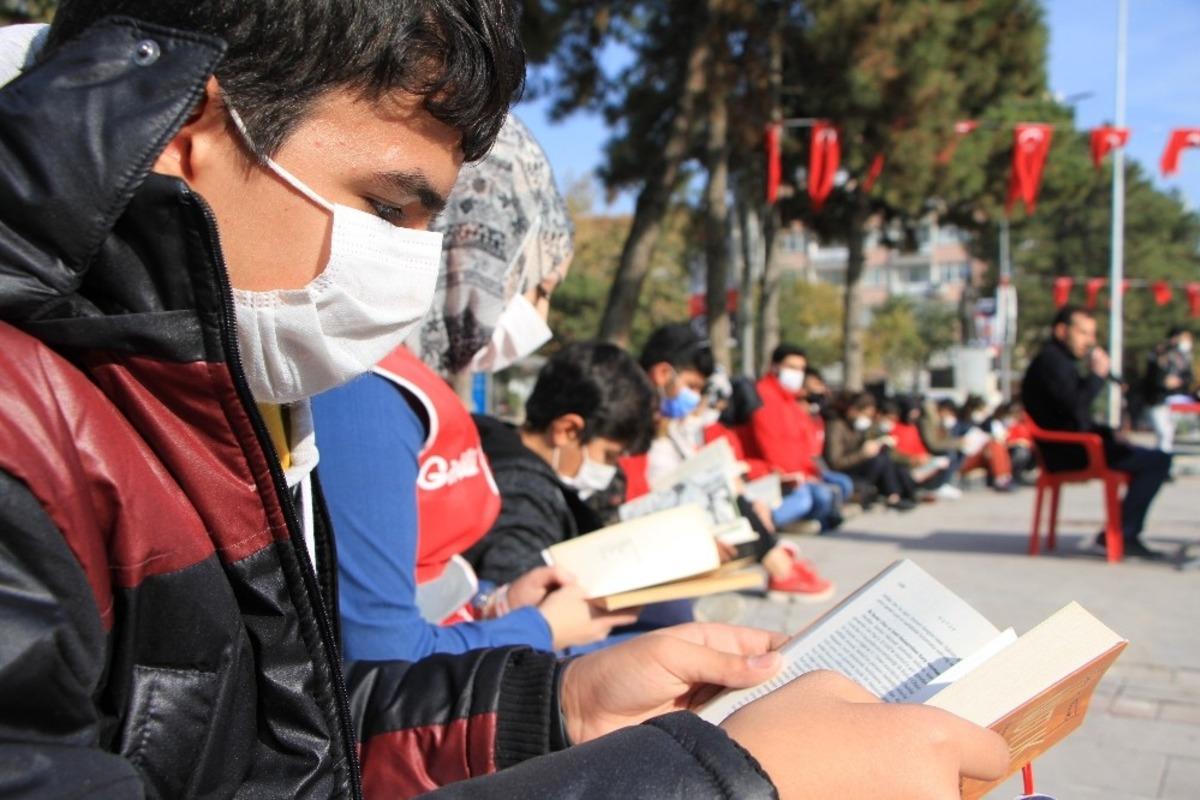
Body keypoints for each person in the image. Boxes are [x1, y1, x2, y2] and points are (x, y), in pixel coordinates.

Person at [0, 6, 1014, 799]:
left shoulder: (207, 385)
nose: (412, 268)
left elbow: (273, 744)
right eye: (388, 207)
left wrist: (554, 706)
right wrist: (720, 779)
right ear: (191, 130)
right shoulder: (31, 432)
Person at [311, 114, 626, 660]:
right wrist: (539, 630)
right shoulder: (363, 387)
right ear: (471, 250)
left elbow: (423, 583)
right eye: (536, 287)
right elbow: (380, 656)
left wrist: (496, 602)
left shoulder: (403, 378)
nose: (541, 315)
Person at [636, 325, 835, 600]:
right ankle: (778, 562)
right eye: (692, 387)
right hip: (663, 526)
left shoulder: (672, 425)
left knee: (810, 493)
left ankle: (776, 556)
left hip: (693, 512)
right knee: (801, 497)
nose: (695, 399)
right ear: (661, 374)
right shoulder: (640, 425)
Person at [465, 341, 656, 586]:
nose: (612, 470)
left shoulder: (488, 439)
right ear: (567, 430)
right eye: (609, 455)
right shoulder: (526, 497)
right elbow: (522, 596)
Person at [1022, 306, 1173, 560]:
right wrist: (1097, 376)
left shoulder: (1060, 362)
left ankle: (1120, 531)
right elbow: (1076, 405)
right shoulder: (1051, 363)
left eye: (1092, 334)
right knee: (1157, 461)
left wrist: (1109, 433)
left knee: (1152, 458)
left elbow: (1073, 414)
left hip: (1077, 444)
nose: (1089, 341)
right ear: (1061, 331)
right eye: (1083, 333)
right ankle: (1122, 534)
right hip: (1069, 452)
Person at [742, 344, 856, 517]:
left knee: (843, 485)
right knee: (819, 497)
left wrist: (811, 473)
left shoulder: (792, 402)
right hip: (774, 474)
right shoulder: (763, 397)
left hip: (801, 473)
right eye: (792, 367)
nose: (797, 373)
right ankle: (768, 523)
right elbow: (773, 447)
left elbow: (802, 446)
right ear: (774, 366)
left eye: (801, 369)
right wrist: (800, 476)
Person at [824, 393, 918, 511]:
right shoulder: (837, 426)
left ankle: (893, 496)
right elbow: (836, 462)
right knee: (879, 461)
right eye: (865, 414)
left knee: (884, 457)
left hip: (855, 464)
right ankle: (873, 494)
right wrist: (862, 454)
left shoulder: (857, 427)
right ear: (853, 410)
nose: (867, 419)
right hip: (842, 469)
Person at [1143, 326, 1196, 453]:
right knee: (1165, 433)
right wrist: (1164, 382)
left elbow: (1189, 377)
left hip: (1173, 400)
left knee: (1168, 433)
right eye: (1183, 338)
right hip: (1157, 400)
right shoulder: (1159, 353)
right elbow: (1154, 377)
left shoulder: (1183, 357)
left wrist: (1179, 381)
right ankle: (1161, 462)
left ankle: (1161, 461)